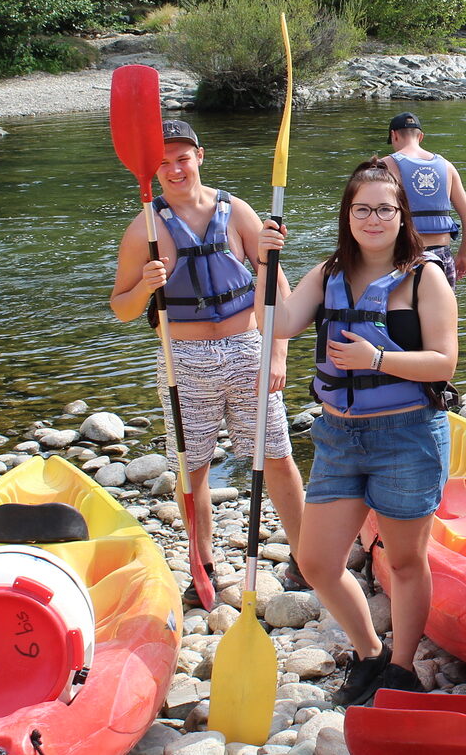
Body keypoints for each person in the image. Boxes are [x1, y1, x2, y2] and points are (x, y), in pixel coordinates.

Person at [256, 158, 458, 706]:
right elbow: (276, 324)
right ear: (347, 215)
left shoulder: (426, 277)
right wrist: (263, 262)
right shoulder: (327, 275)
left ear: (402, 216)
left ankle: (400, 667)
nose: (373, 219)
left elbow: (444, 363)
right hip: (339, 439)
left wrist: (379, 357)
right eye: (362, 209)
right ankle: (368, 651)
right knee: (318, 561)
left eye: (385, 210)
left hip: (407, 435)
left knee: (406, 561)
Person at [109, 120, 308, 604]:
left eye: (183, 158)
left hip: (246, 350)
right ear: (152, 169)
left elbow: (276, 285)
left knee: (277, 457)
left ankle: (306, 558)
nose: (175, 169)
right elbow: (121, 308)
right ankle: (204, 568)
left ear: (201, 156)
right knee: (192, 467)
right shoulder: (145, 228)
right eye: (164, 162)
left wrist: (276, 354)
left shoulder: (235, 210)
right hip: (185, 359)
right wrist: (146, 286)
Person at [384, 112, 466, 287]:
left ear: (393, 135)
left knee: (399, 313)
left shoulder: (384, 166)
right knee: (443, 313)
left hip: (403, 257)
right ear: (421, 137)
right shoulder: (447, 167)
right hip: (442, 256)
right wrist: (463, 255)